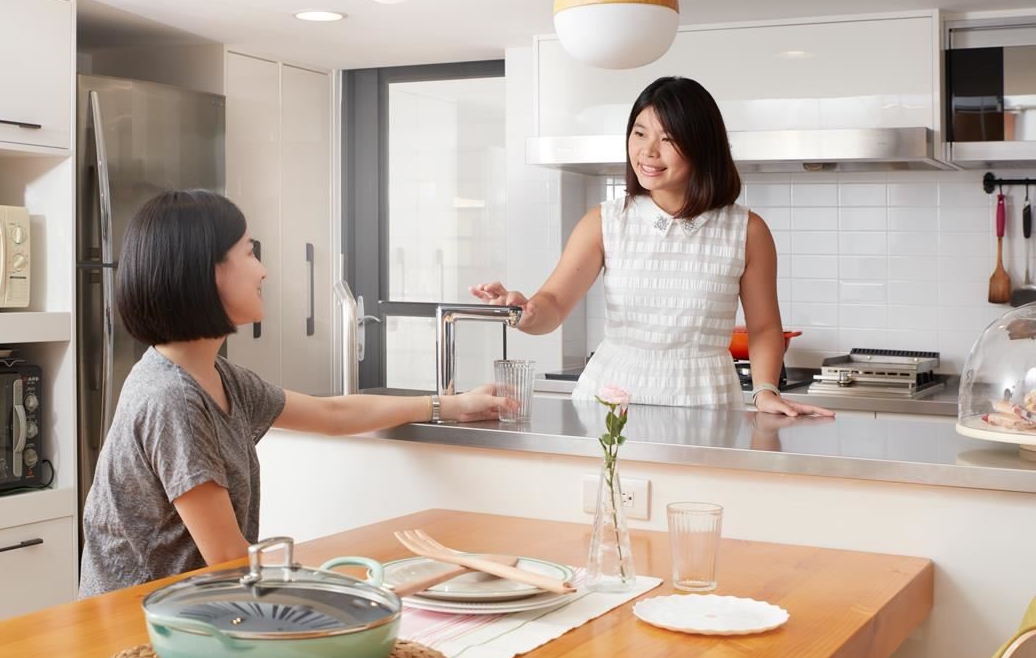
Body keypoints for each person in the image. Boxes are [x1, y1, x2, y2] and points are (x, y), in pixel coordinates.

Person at [78, 189, 510, 597]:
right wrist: (355, 578)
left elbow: (333, 414)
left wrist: (451, 405)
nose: (262, 269)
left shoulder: (220, 378)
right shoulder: (171, 398)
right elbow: (228, 560)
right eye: (249, 253)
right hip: (135, 635)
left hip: (194, 613)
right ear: (206, 272)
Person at [471, 76, 831, 418]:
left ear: (702, 146)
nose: (648, 151)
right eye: (639, 133)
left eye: (668, 139)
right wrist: (523, 312)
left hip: (705, 401)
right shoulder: (604, 221)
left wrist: (765, 390)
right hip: (610, 402)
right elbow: (552, 304)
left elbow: (765, 327)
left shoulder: (747, 230)